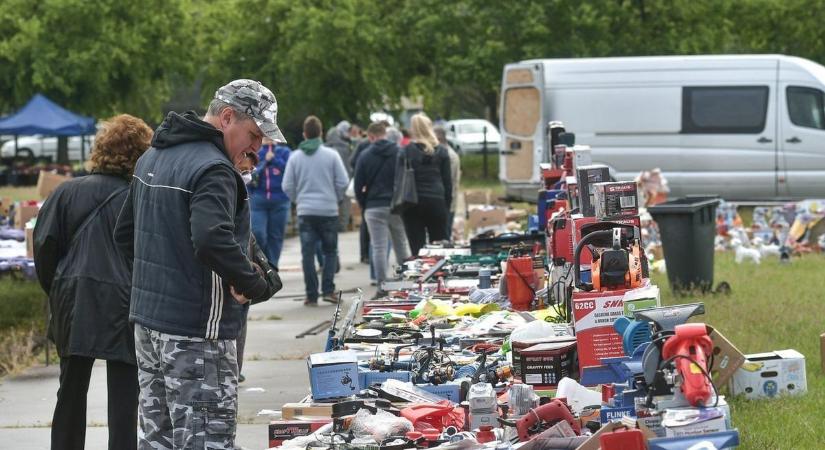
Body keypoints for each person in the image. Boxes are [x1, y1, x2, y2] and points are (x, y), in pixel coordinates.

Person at [114, 79, 282, 449]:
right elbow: (212, 239)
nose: (258, 146)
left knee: (158, 438)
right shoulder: (215, 169)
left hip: (149, 326)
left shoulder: (153, 157)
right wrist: (253, 285)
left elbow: (125, 235)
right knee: (207, 439)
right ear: (226, 117)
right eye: (254, 134)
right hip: (198, 333)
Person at [34, 114, 153, 450]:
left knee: (70, 390)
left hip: (74, 296)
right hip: (125, 299)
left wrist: (56, 288)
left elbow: (44, 248)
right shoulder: (139, 196)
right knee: (125, 396)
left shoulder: (66, 193)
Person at [282, 115, 348, 306]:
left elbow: (287, 185)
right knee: (330, 252)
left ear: (304, 134)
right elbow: (343, 182)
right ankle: (328, 290)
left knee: (308, 255)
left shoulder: (295, 157)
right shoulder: (332, 155)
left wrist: (298, 200)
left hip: (306, 211)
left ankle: (311, 295)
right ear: (321, 133)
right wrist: (335, 198)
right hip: (328, 211)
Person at [354, 122, 411, 298]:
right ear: (385, 133)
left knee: (378, 247)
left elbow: (358, 185)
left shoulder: (365, 155)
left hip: (373, 206)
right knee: (400, 244)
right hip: (395, 205)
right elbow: (405, 179)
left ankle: (381, 287)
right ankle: (405, 282)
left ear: (371, 136)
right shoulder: (399, 152)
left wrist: (365, 204)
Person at [399, 113, 452, 256]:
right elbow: (448, 183)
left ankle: (420, 276)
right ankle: (439, 276)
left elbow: (398, 181)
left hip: (412, 202)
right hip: (436, 200)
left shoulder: (405, 151)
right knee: (440, 247)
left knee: (417, 248)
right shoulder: (442, 151)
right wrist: (446, 207)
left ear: (413, 129)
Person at [249, 136, 291, 269]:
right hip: (258, 200)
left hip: (280, 200)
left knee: (276, 235)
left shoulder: (284, 152)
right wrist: (265, 161)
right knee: (258, 233)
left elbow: (289, 171)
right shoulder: (256, 152)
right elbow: (249, 174)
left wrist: (274, 159)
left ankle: (272, 266)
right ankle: (263, 262)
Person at [434, 126, 461, 241]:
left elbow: (448, 181)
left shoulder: (448, 156)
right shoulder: (448, 154)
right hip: (448, 201)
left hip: (447, 202)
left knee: (443, 237)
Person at [326, 120, 353, 231]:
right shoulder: (347, 148)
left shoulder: (326, 148)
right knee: (345, 203)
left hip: (329, 180)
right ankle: (342, 226)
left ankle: (331, 225)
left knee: (332, 202)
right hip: (345, 179)